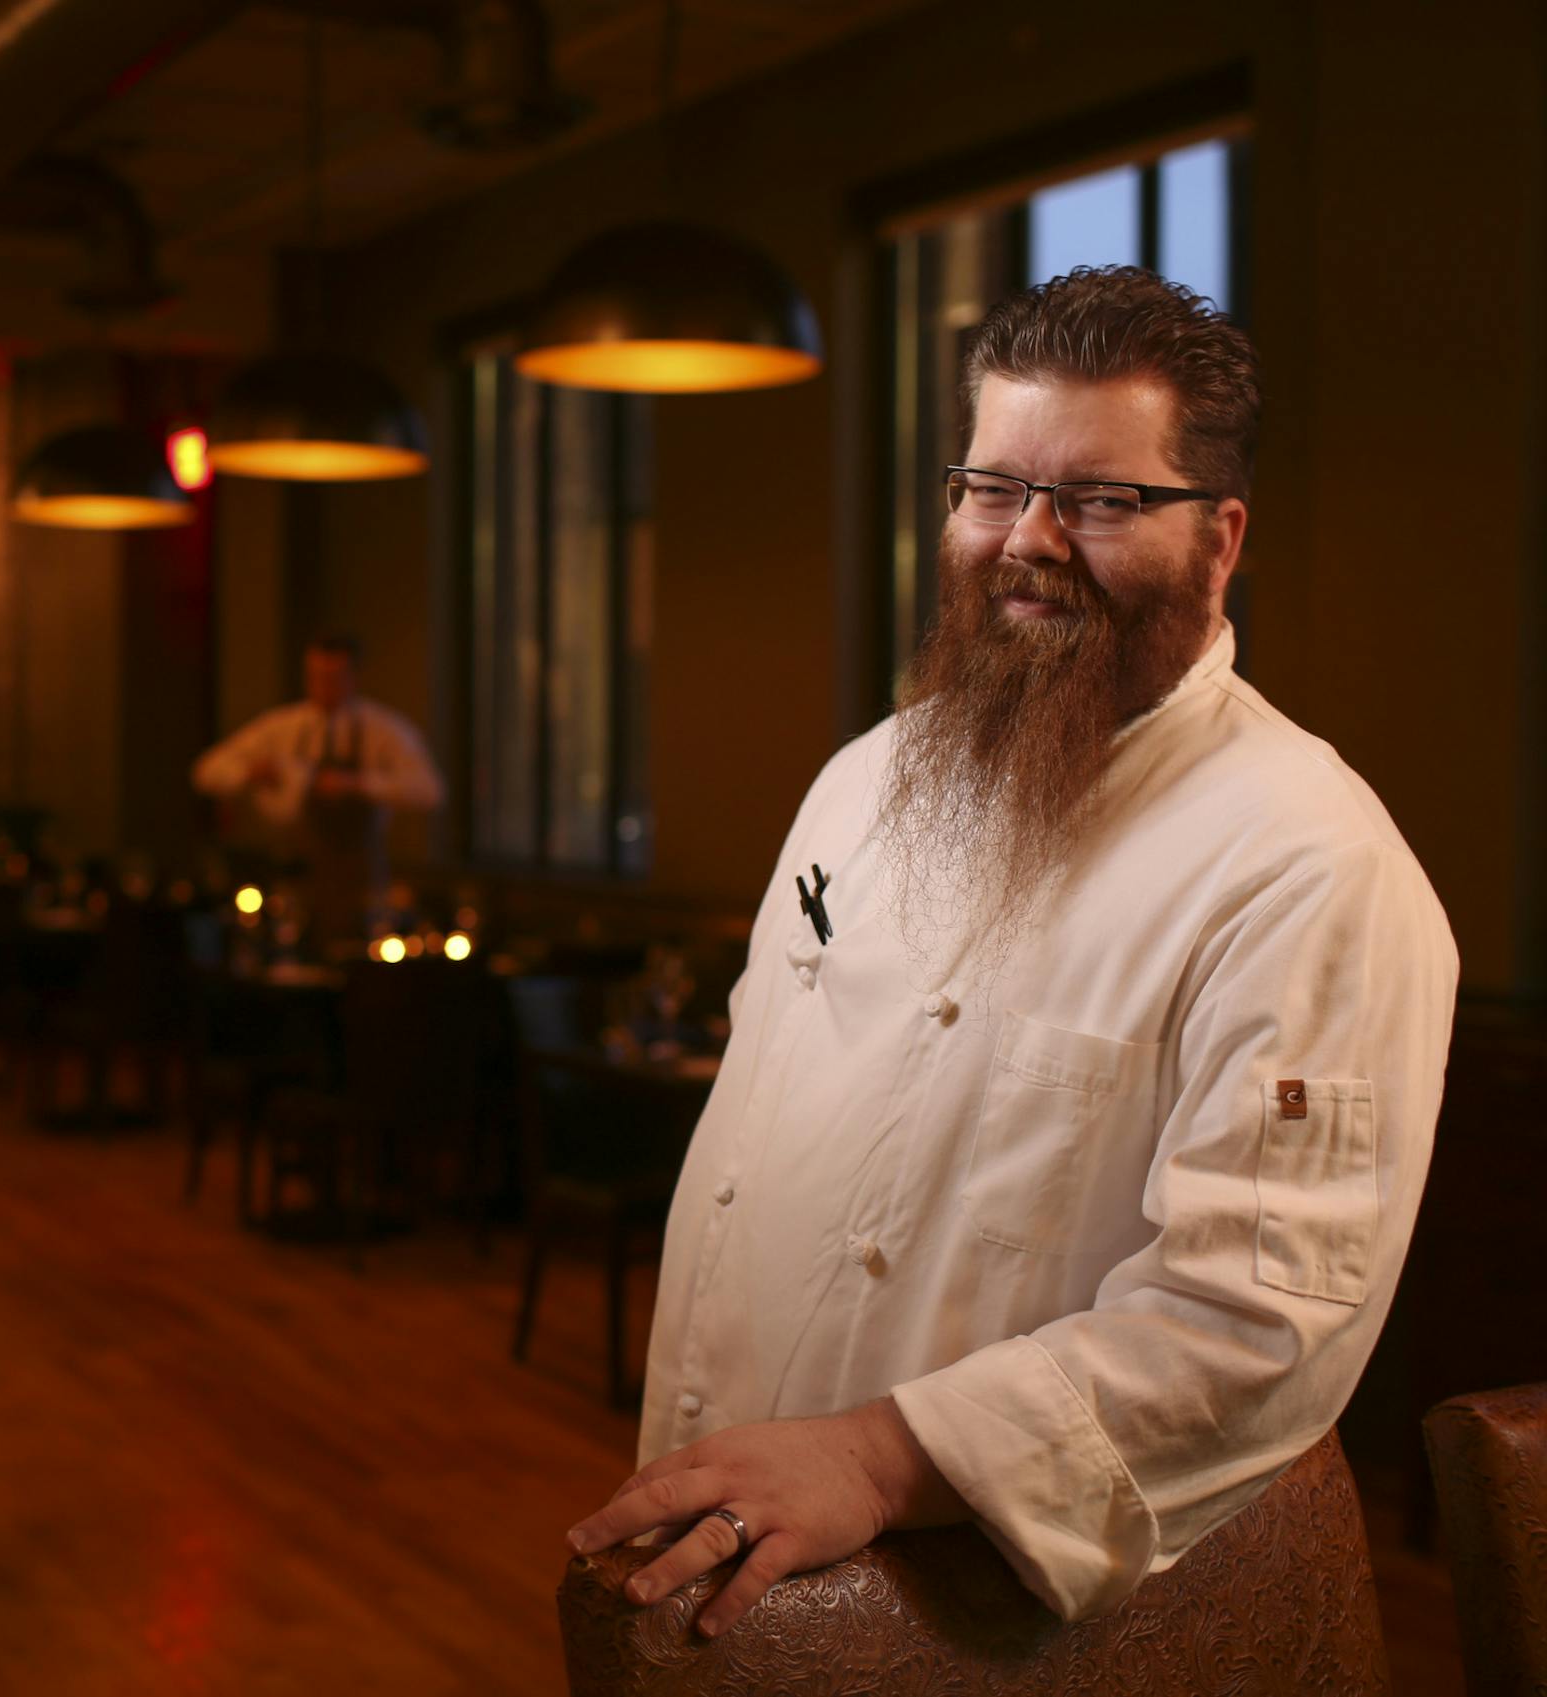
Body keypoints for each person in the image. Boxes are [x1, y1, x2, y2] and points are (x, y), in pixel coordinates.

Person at [566, 267, 1457, 1634]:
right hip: (726, 1503)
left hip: (975, 1592)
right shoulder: (866, 777)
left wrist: (877, 1457)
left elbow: (1254, 1324)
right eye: (993, 487)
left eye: (1102, 500)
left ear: (1220, 539)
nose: (1029, 539)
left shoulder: (1308, 865)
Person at [191, 634, 443, 947]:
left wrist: (358, 785)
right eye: (316, 676)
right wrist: (251, 774)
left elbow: (429, 790)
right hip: (297, 877)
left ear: (354, 677)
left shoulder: (382, 730)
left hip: (360, 882)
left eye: (333, 677)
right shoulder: (283, 727)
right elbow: (206, 771)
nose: (324, 685)